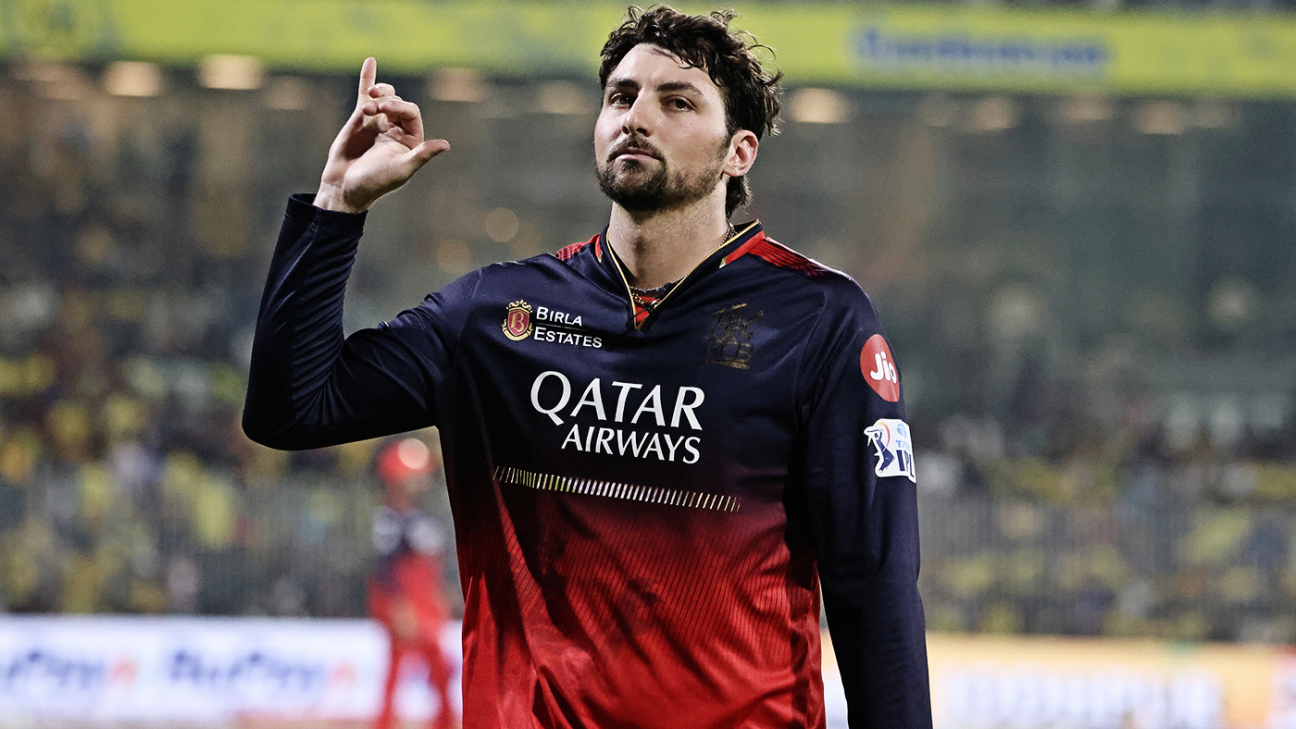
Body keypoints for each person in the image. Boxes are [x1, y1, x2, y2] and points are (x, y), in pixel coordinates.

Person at [243, 6, 932, 727]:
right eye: (620, 97)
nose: (637, 117)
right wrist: (337, 207)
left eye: (677, 102)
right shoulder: (495, 314)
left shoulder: (818, 318)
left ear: (739, 152)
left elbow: (873, 583)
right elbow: (291, 409)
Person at [368, 438, 456, 729]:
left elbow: (433, 562)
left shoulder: (421, 515)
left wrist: (440, 591)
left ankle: (440, 721)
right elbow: (386, 567)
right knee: (406, 663)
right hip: (406, 602)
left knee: (436, 665)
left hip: (425, 600)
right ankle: (386, 723)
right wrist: (399, 606)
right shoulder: (391, 519)